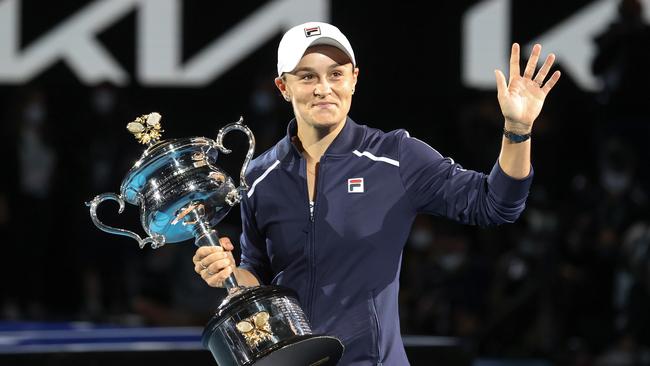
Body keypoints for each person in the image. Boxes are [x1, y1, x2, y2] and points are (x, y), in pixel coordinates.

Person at [192, 21, 560, 365]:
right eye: (307, 77)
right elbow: (259, 271)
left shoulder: (395, 156)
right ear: (283, 87)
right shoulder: (259, 176)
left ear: (354, 79)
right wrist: (228, 274)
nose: (324, 88)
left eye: (336, 74)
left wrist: (516, 129)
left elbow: (494, 205)